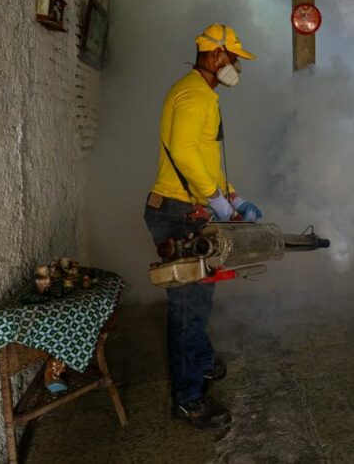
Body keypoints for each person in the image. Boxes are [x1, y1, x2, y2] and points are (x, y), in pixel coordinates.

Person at [143, 23, 262, 429]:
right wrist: (215, 200)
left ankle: (202, 360)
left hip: (185, 209)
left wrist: (232, 197)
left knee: (199, 301)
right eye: (234, 59)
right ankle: (188, 398)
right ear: (216, 55)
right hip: (178, 214)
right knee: (188, 310)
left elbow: (204, 159)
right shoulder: (195, 94)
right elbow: (182, 153)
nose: (236, 68)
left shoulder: (196, 91)